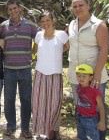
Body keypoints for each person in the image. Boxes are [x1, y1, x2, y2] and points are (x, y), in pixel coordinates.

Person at [68, 0, 109, 140]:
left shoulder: (99, 25)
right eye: (75, 6)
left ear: (88, 5)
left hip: (94, 77)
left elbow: (104, 49)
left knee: (97, 109)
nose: (78, 8)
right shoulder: (72, 25)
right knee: (81, 108)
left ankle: (100, 136)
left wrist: (97, 75)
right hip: (76, 77)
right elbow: (68, 45)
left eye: (81, 5)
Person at [0, 0, 38, 139]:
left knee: (26, 99)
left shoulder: (29, 25)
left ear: (20, 8)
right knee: (9, 99)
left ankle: (25, 128)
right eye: (10, 9)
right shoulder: (3, 26)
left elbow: (40, 38)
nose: (12, 11)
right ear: (7, 11)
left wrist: (34, 52)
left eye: (15, 8)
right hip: (8, 69)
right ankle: (10, 126)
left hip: (25, 69)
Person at [32, 11, 68, 140]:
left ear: (53, 20)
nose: (45, 23)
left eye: (48, 20)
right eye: (43, 21)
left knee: (54, 104)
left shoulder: (62, 35)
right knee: (39, 103)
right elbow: (35, 50)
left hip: (55, 74)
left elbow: (66, 47)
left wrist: (57, 53)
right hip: (40, 73)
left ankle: (52, 131)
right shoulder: (38, 35)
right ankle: (40, 131)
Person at [75, 64, 106, 140]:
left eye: (84, 76)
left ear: (91, 77)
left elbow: (101, 107)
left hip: (90, 119)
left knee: (93, 137)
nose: (81, 78)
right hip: (79, 117)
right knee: (81, 136)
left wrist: (102, 121)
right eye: (79, 76)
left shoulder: (94, 91)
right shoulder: (79, 87)